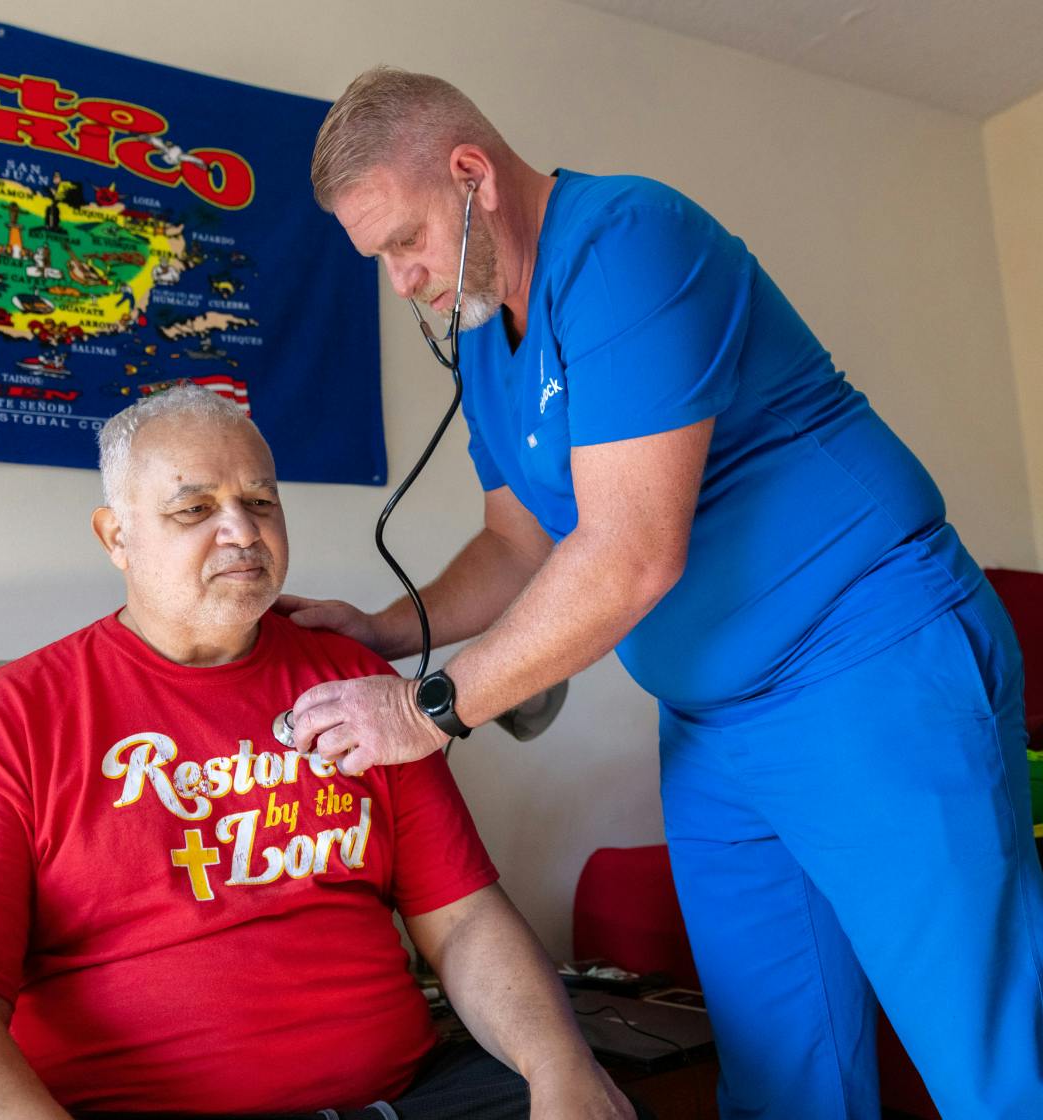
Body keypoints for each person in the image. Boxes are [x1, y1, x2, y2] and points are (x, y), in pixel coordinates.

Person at [283, 67, 1043, 1119]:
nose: (403, 278)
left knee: (987, 1056)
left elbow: (628, 554)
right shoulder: (482, 338)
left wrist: (428, 709)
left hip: (864, 659)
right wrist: (378, 629)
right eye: (382, 261)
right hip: (712, 722)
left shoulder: (627, 241)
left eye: (404, 241)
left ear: (470, 177)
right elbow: (515, 545)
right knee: (782, 1073)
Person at [0, 385, 634, 1120]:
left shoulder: (360, 685)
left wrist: (561, 1067)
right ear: (115, 536)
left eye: (261, 501)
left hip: (401, 1098)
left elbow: (463, 920)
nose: (242, 530)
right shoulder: (15, 719)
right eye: (194, 508)